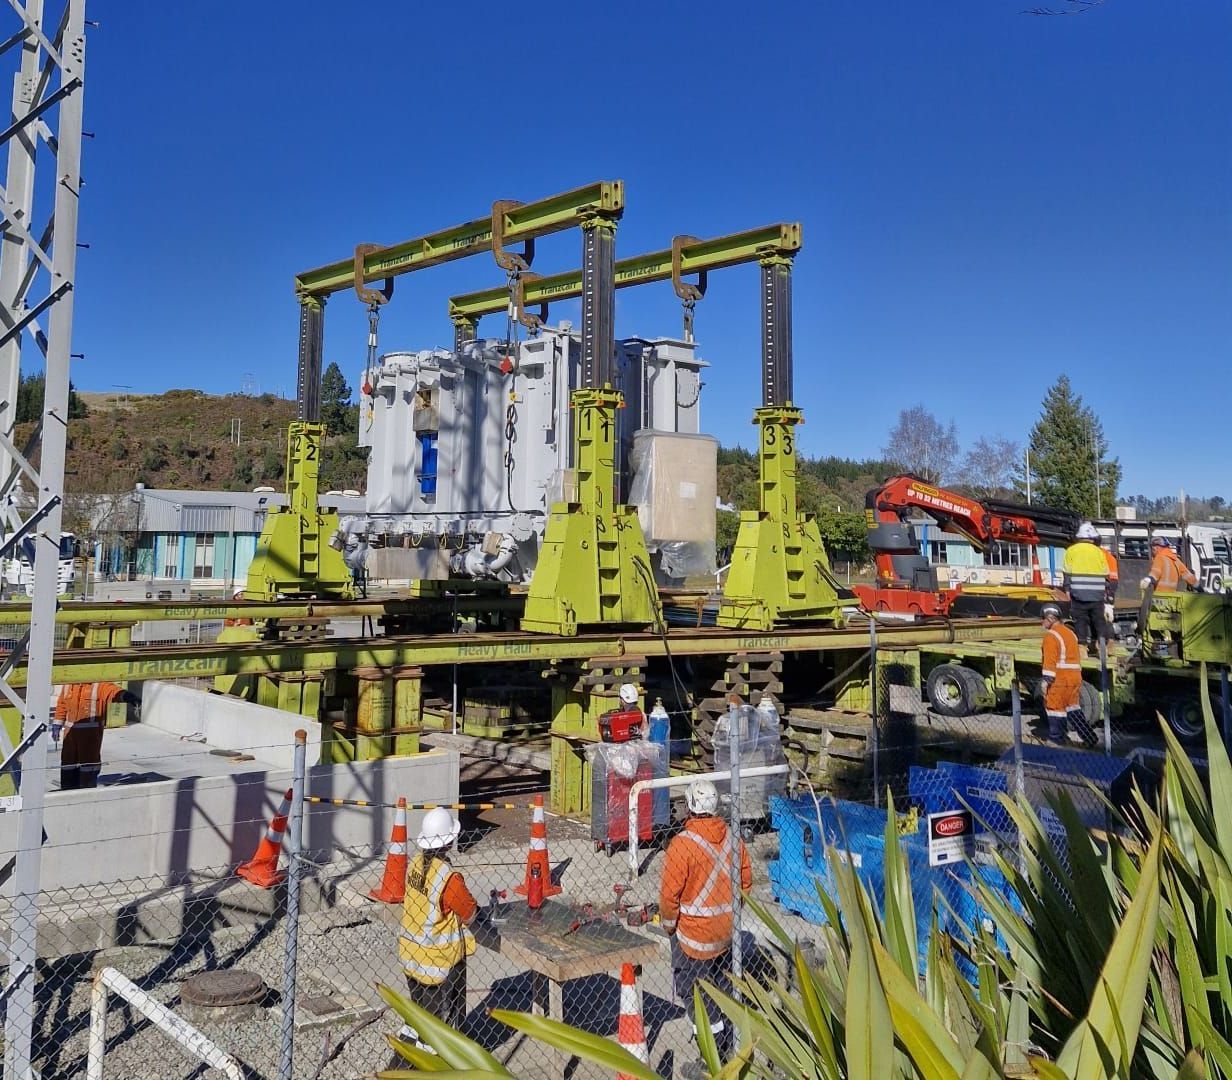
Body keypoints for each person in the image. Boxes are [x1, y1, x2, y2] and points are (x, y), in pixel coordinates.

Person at [659, 778, 752, 1062]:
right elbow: (746, 883)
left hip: (693, 939)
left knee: (693, 992)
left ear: (689, 807)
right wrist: (726, 912)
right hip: (726, 934)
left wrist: (668, 925)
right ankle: (727, 1037)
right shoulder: (733, 840)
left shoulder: (682, 846)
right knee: (722, 986)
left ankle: (712, 1054)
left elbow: (668, 897)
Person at [399, 807, 476, 1047]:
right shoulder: (447, 877)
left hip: (410, 954)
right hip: (437, 962)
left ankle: (410, 1044)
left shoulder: (415, 863)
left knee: (418, 1011)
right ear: (449, 840)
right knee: (436, 1023)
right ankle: (432, 1057)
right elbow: (470, 913)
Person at [54, 681, 135, 789]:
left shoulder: (99, 685)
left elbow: (113, 692)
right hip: (70, 735)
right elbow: (62, 704)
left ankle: (87, 790)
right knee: (68, 763)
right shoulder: (69, 684)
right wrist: (57, 724)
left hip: (90, 736)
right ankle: (67, 790)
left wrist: (126, 696)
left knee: (89, 765)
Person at [1039, 604, 1097, 748]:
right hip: (1075, 677)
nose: (1041, 622)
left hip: (1060, 678)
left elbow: (1050, 661)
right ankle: (1089, 737)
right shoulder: (1070, 633)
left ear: (1051, 618)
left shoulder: (1051, 636)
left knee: (1055, 708)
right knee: (1073, 708)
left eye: (1043, 619)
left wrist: (1046, 680)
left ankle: (1056, 739)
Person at [1062, 522, 1110, 653]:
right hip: (1097, 595)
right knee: (1098, 619)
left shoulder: (1071, 550)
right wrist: (1106, 592)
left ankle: (1082, 647)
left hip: (1078, 594)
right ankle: (1101, 646)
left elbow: (1067, 573)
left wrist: (1067, 590)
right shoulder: (1099, 552)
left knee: (1080, 621)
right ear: (1092, 538)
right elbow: (1106, 574)